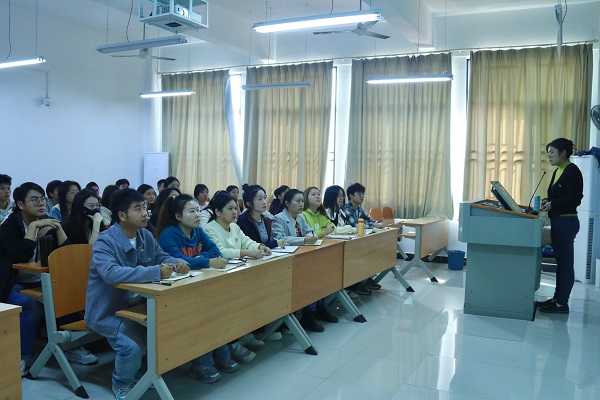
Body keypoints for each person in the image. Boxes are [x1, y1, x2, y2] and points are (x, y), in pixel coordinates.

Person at [85, 189, 214, 399]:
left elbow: (161, 256)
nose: (145, 213)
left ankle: (145, 373)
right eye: (138, 209)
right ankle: (122, 384)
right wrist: (155, 272)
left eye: (145, 207)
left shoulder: (144, 235)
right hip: (109, 311)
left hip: (139, 305)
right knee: (133, 347)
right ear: (122, 215)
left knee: (173, 329)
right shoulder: (105, 241)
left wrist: (177, 262)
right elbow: (111, 273)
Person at [0, 182, 96, 376]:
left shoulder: (48, 221)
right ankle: (22, 357)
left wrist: (58, 229)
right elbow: (21, 255)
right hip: (13, 282)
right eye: (34, 200)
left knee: (67, 293)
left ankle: (70, 346)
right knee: (28, 304)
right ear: (20, 204)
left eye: (42, 199)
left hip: (40, 279)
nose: (41, 203)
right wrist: (33, 227)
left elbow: (67, 254)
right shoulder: (9, 227)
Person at [154, 194, 238, 383]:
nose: (198, 215)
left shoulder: (197, 231)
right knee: (202, 317)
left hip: (198, 285)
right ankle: (202, 363)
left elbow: (215, 250)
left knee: (218, 310)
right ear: (178, 216)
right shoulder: (169, 235)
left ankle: (221, 354)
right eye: (192, 211)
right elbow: (178, 261)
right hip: (174, 292)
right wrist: (206, 261)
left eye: (198, 211)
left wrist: (200, 259)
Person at [204, 191, 270, 357]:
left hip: (237, 273)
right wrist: (246, 252)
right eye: (230, 209)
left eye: (236, 208)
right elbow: (220, 251)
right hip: (219, 278)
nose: (235, 212)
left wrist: (260, 247)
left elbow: (247, 241)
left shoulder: (234, 226)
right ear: (217, 212)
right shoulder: (210, 229)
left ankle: (243, 332)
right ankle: (232, 341)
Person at [272, 189, 335, 332]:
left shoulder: (300, 218)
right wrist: (304, 239)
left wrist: (311, 235)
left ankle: (321, 308)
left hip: (303, 256)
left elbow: (310, 231)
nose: (301, 204)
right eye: (297, 201)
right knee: (310, 278)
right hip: (286, 260)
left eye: (302, 201)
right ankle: (308, 315)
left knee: (324, 272)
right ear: (287, 203)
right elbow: (281, 239)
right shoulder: (278, 218)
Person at [538, 138, 584, 314]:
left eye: (552, 152)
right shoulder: (558, 170)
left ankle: (562, 304)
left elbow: (574, 199)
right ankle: (557, 299)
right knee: (561, 264)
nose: (549, 156)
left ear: (563, 152)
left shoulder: (572, 171)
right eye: (547, 153)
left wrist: (554, 204)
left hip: (566, 222)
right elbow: (558, 196)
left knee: (565, 265)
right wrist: (548, 201)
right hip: (558, 221)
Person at [323, 186, 371, 296]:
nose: (342, 198)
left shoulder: (340, 211)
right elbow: (334, 230)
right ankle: (351, 285)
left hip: (342, 242)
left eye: (342, 196)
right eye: (339, 196)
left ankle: (358, 281)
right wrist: (352, 229)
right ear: (331, 196)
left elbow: (342, 228)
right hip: (329, 245)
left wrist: (348, 229)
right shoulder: (326, 212)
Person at [236, 184, 284, 249]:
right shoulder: (243, 221)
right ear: (249, 203)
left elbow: (266, 241)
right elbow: (251, 245)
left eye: (265, 198)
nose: (264, 202)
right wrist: (275, 243)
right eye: (259, 199)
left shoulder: (266, 220)